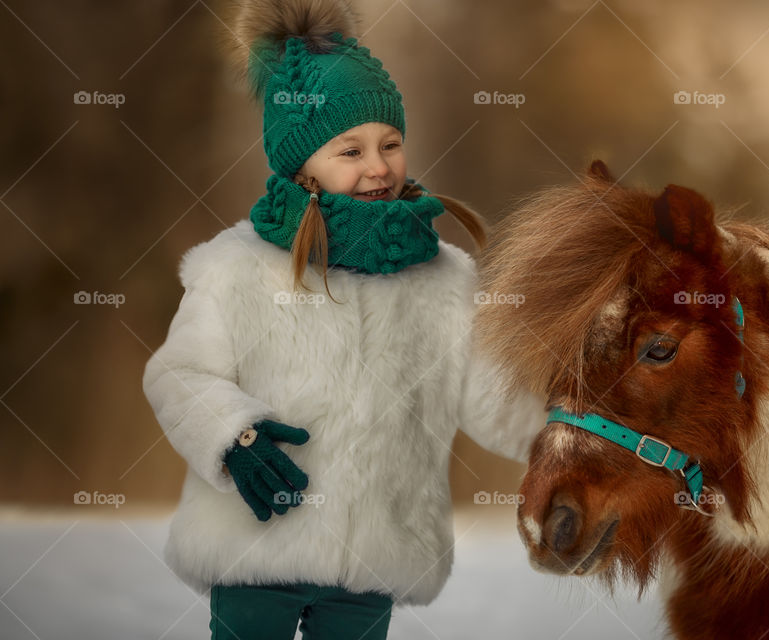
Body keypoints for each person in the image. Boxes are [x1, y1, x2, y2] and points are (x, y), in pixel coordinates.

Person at [142, 1, 544, 638]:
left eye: (390, 144)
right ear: (302, 167)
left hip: (371, 554)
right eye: (349, 150)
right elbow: (179, 375)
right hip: (256, 547)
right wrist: (234, 438)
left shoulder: (442, 278)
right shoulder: (239, 266)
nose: (378, 166)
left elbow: (492, 397)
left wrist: (575, 430)